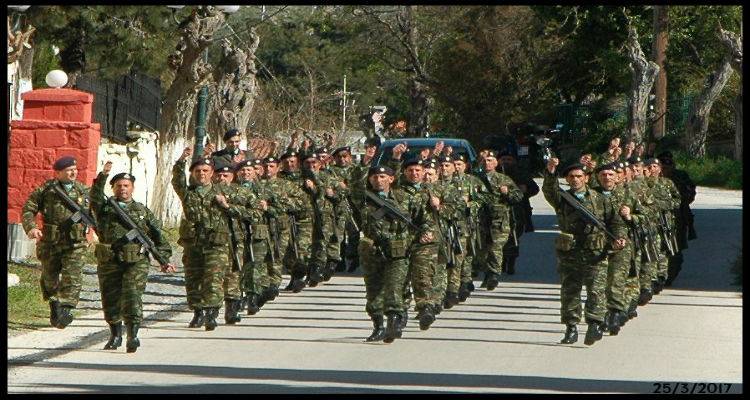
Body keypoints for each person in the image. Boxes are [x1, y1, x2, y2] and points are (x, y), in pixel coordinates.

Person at [89, 163, 175, 352]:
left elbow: (157, 235)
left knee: (132, 296)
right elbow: (94, 196)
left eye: (126, 185)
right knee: (110, 298)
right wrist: (103, 176)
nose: (122, 189)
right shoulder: (104, 209)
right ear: (113, 188)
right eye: (119, 185)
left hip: (136, 261)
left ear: (132, 188)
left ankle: (133, 335)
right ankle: (115, 334)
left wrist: (164, 259)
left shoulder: (142, 211)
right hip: (109, 260)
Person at [542, 158, 628, 346]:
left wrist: (619, 238)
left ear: (586, 178)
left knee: (596, 290)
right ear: (567, 179)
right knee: (570, 291)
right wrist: (550, 172)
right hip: (570, 252)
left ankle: (594, 324)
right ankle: (571, 327)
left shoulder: (600, 199)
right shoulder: (562, 198)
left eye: (579, 176)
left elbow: (615, 221)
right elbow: (549, 190)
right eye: (571, 177)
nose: (575, 180)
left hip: (595, 252)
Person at [350, 165, 435, 343]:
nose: (378, 180)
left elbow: (424, 219)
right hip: (372, 250)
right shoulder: (364, 198)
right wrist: (365, 163)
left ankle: (394, 323)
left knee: (394, 286)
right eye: (374, 177)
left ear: (391, 179)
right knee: (374, 290)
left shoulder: (404, 198)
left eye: (382, 177)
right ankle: (378, 325)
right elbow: (355, 184)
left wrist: (426, 231)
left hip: (397, 249)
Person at [171, 148, 248, 331]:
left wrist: (226, 205)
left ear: (212, 173)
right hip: (194, 244)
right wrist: (181, 161)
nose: (202, 174)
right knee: (193, 279)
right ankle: (198, 312)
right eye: (198, 171)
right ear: (193, 174)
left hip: (217, 243)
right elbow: (177, 180)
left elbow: (244, 208)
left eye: (205, 171)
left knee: (214, 279)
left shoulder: (222, 191)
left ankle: (211, 313)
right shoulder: (188, 193)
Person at [22, 156, 93, 329]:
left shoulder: (83, 190)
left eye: (74, 169)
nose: (73, 172)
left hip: (75, 243)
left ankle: (66, 310)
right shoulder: (47, 190)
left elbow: (94, 212)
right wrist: (31, 227)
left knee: (73, 275)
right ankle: (54, 304)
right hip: (51, 241)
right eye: (69, 170)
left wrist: (93, 231)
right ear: (58, 172)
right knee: (49, 276)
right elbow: (28, 209)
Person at [476, 150, 524, 291]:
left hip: (499, 220)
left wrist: (507, 192)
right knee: (482, 250)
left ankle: (493, 275)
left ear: (496, 163)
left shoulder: (504, 179)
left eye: (490, 160)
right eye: (484, 160)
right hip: (480, 221)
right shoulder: (474, 179)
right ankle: (487, 272)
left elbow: (518, 196)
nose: (487, 163)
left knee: (495, 247)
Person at [658, 151, 696, 286]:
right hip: (657, 219)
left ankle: (669, 276)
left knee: (676, 249)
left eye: (668, 165)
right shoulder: (653, 178)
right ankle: (658, 276)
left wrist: (681, 201)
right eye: (663, 165)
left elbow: (690, 193)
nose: (665, 169)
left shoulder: (680, 177)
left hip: (678, 218)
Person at [498, 151, 540, 275]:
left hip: (518, 211)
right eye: (503, 159)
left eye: (509, 159)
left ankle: (510, 262)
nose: (506, 162)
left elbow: (535, 189)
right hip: (499, 212)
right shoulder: (496, 174)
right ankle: (501, 262)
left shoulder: (521, 174)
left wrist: (525, 191)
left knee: (513, 238)